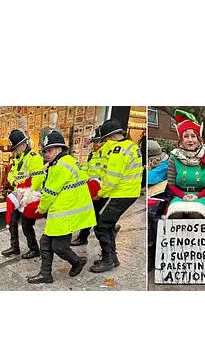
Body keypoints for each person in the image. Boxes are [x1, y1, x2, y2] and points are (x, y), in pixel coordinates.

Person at [25, 131, 96, 284]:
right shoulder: (69, 161)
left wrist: (41, 209)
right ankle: (46, 274)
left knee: (59, 246)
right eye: (44, 151)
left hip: (65, 213)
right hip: (68, 210)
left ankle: (77, 261)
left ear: (59, 149)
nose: (46, 154)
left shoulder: (58, 168)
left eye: (49, 150)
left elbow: (49, 193)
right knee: (46, 242)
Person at [88, 119, 143, 273]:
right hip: (129, 192)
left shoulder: (117, 151)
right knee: (109, 223)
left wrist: (99, 194)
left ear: (110, 137)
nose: (104, 143)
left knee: (101, 226)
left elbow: (111, 178)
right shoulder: (131, 146)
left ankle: (107, 260)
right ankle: (113, 258)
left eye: (105, 140)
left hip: (122, 193)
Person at [164, 109, 205, 219]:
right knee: (175, 216)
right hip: (180, 196)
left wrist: (196, 196)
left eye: (193, 136)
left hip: (201, 197)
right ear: (181, 140)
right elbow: (171, 184)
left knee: (195, 215)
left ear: (198, 139)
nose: (190, 140)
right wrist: (183, 196)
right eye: (186, 136)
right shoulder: (174, 157)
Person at [1, 129, 45, 259]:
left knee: (26, 225)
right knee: (12, 221)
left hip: (30, 197)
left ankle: (34, 249)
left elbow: (37, 180)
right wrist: (15, 183)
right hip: (19, 194)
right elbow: (10, 175)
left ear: (23, 145)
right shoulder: (17, 158)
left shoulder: (34, 158)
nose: (15, 151)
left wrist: (24, 192)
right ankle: (15, 247)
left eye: (16, 148)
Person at [70, 126, 104, 246]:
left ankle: (84, 237)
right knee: (91, 212)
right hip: (91, 187)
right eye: (94, 142)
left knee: (92, 213)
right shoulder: (92, 155)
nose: (95, 145)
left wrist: (100, 192)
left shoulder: (108, 155)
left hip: (103, 189)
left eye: (98, 141)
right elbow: (86, 169)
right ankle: (109, 227)